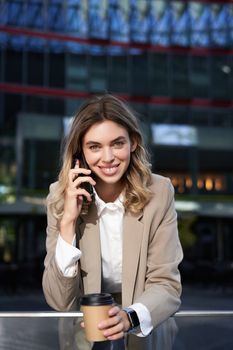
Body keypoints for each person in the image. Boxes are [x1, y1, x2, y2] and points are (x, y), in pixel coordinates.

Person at [42, 94, 183, 350]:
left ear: (133, 143)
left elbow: (166, 285)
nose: (107, 157)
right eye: (94, 146)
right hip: (82, 333)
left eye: (117, 143)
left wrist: (130, 316)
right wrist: (68, 222)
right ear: (80, 152)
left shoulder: (160, 192)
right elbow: (58, 301)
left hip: (146, 326)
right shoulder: (60, 195)